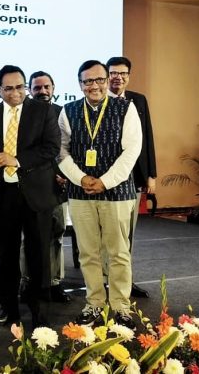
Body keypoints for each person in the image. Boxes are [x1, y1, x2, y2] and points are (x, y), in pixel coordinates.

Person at [59, 60, 141, 329]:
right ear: (80, 84)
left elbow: (132, 150)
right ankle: (94, 302)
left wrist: (104, 182)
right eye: (88, 81)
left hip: (117, 192)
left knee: (118, 253)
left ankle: (121, 306)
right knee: (88, 252)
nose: (94, 85)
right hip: (80, 191)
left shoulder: (126, 108)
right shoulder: (68, 111)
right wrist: (81, 178)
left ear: (107, 81)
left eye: (99, 80)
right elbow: (61, 151)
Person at [0, 65, 60, 329]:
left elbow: (51, 148)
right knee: (6, 257)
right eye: (9, 88)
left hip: (36, 195)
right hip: (2, 196)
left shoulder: (44, 111)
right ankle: (9, 310)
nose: (16, 93)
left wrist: (17, 159)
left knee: (38, 257)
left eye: (20, 87)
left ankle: (39, 314)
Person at [106, 56, 156, 299]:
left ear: (129, 76)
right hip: (107, 178)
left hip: (133, 177)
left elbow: (147, 137)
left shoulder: (139, 100)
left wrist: (151, 174)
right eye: (113, 73)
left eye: (123, 73)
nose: (118, 77)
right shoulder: (98, 100)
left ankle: (126, 281)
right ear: (107, 76)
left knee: (129, 234)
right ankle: (106, 280)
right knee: (108, 233)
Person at [20, 71, 71, 303]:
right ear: (30, 90)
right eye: (37, 87)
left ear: (53, 88)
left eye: (46, 87)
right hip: (31, 186)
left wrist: (64, 175)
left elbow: (69, 148)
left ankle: (54, 283)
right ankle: (27, 281)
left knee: (57, 234)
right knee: (29, 237)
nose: (42, 91)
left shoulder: (63, 113)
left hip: (57, 186)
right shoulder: (23, 114)